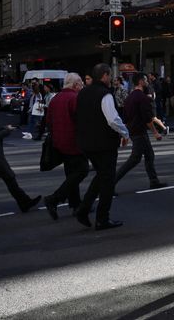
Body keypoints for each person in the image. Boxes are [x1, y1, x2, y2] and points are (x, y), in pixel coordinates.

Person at [74, 63, 130, 230]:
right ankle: (102, 218)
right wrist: (125, 133)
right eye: (109, 75)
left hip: (86, 143)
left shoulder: (83, 93)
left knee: (101, 175)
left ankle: (83, 209)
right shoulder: (105, 94)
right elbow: (112, 119)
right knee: (108, 181)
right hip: (104, 144)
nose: (111, 78)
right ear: (104, 76)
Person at [0, 87, 42, 213]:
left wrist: (4, 128)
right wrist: (7, 131)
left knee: (7, 178)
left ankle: (24, 202)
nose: (0, 100)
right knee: (8, 178)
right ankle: (24, 202)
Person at [43, 73, 88, 220]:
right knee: (82, 170)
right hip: (73, 142)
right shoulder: (75, 98)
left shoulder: (55, 99)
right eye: (81, 84)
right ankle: (54, 199)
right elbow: (81, 121)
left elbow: (48, 121)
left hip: (59, 142)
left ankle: (76, 204)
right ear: (75, 85)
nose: (82, 87)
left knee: (71, 173)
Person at [114, 73, 167, 190]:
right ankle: (112, 182)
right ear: (141, 82)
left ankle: (154, 180)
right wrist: (155, 133)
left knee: (149, 155)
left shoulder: (130, 97)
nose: (147, 82)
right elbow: (148, 118)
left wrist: (125, 134)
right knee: (134, 159)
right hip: (139, 132)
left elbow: (126, 117)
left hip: (133, 131)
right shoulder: (142, 98)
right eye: (146, 80)